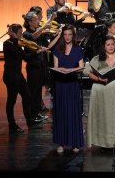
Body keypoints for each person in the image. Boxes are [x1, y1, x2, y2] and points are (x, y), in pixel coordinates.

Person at [85, 36, 115, 149]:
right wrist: (98, 79)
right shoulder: (97, 58)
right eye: (108, 44)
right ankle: (102, 141)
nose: (111, 46)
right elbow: (89, 72)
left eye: (112, 44)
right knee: (103, 116)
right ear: (104, 46)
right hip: (101, 91)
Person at [2, 24, 43, 133]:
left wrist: (36, 52)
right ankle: (12, 125)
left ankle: (29, 120)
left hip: (18, 75)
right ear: (14, 33)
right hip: (10, 76)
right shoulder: (7, 44)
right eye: (20, 33)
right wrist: (15, 38)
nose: (21, 35)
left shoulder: (18, 44)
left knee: (27, 96)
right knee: (11, 100)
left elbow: (25, 57)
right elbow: (15, 54)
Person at [51, 25, 84, 153]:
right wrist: (61, 70)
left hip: (72, 83)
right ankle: (61, 142)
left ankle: (75, 142)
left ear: (73, 35)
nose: (67, 37)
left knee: (73, 111)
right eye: (65, 35)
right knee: (61, 111)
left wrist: (71, 70)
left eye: (69, 35)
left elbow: (81, 67)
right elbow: (55, 66)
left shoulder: (77, 49)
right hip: (60, 84)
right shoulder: (57, 49)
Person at [22, 11, 61, 122]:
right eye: (35, 20)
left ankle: (37, 113)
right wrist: (45, 26)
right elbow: (35, 35)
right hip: (33, 68)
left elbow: (44, 38)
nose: (38, 21)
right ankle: (32, 115)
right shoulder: (27, 34)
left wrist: (51, 20)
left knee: (39, 92)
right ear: (30, 23)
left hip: (41, 66)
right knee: (33, 92)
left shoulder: (40, 32)